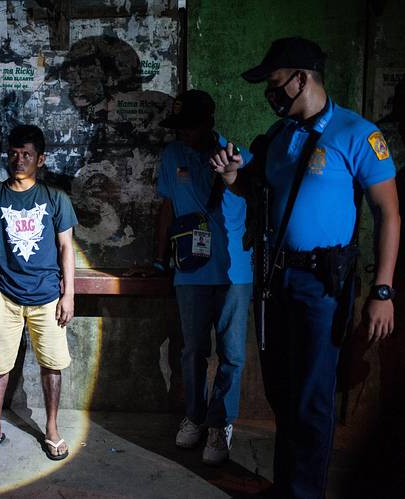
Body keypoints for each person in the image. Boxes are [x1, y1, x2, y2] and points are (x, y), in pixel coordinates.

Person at [211, 37, 400, 498]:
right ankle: (287, 484)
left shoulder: (358, 133)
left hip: (323, 284)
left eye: (275, 84)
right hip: (277, 280)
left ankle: (303, 493)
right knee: (281, 389)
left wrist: (382, 290)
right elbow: (253, 191)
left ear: (301, 79)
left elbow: (389, 214)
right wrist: (233, 175)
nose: (270, 95)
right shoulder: (279, 137)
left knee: (312, 397)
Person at [156, 89, 253, 465]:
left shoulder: (238, 156)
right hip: (190, 270)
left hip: (235, 272)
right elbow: (166, 207)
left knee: (231, 353)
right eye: (178, 127)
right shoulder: (172, 155)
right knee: (193, 350)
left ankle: (219, 423)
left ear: (207, 124)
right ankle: (194, 417)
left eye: (189, 127)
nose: (182, 133)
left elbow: (258, 204)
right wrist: (158, 257)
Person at [0, 124, 77, 460]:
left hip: (47, 296)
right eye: (14, 153)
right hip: (4, 295)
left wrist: (69, 294)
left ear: (41, 159)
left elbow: (67, 248)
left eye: (26, 154)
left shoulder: (56, 198)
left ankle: (51, 428)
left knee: (52, 365)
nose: (18, 160)